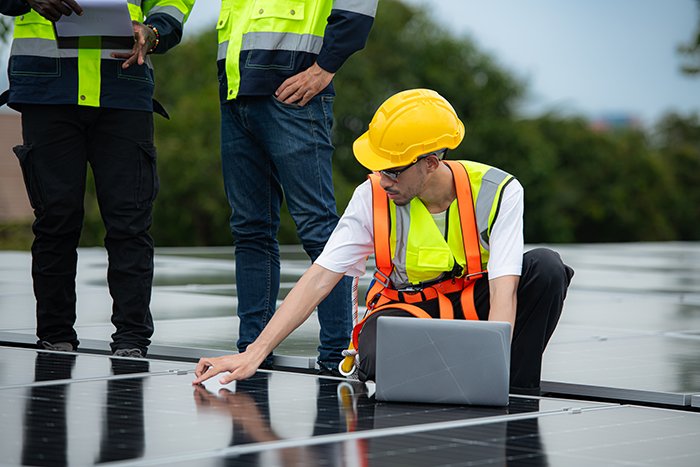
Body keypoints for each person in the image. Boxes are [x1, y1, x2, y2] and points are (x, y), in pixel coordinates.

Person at [193, 89, 574, 395]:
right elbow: (320, 277)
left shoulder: (498, 191)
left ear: (431, 162)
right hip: (411, 313)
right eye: (377, 168)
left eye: (392, 169)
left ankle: (515, 390)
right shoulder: (372, 195)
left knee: (546, 268)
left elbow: (504, 291)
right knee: (379, 353)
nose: (383, 179)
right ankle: (459, 375)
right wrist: (254, 353)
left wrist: (491, 377)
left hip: (478, 308)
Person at [0, 0, 195, 357]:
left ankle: (132, 339)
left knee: (130, 222)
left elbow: (174, 2)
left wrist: (154, 31)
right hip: (47, 88)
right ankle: (55, 335)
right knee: (56, 219)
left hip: (123, 85)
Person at [216, 0, 377, 373]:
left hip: (294, 94)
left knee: (321, 231)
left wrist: (325, 68)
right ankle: (252, 349)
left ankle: (338, 356)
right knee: (250, 230)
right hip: (236, 93)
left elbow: (359, 6)